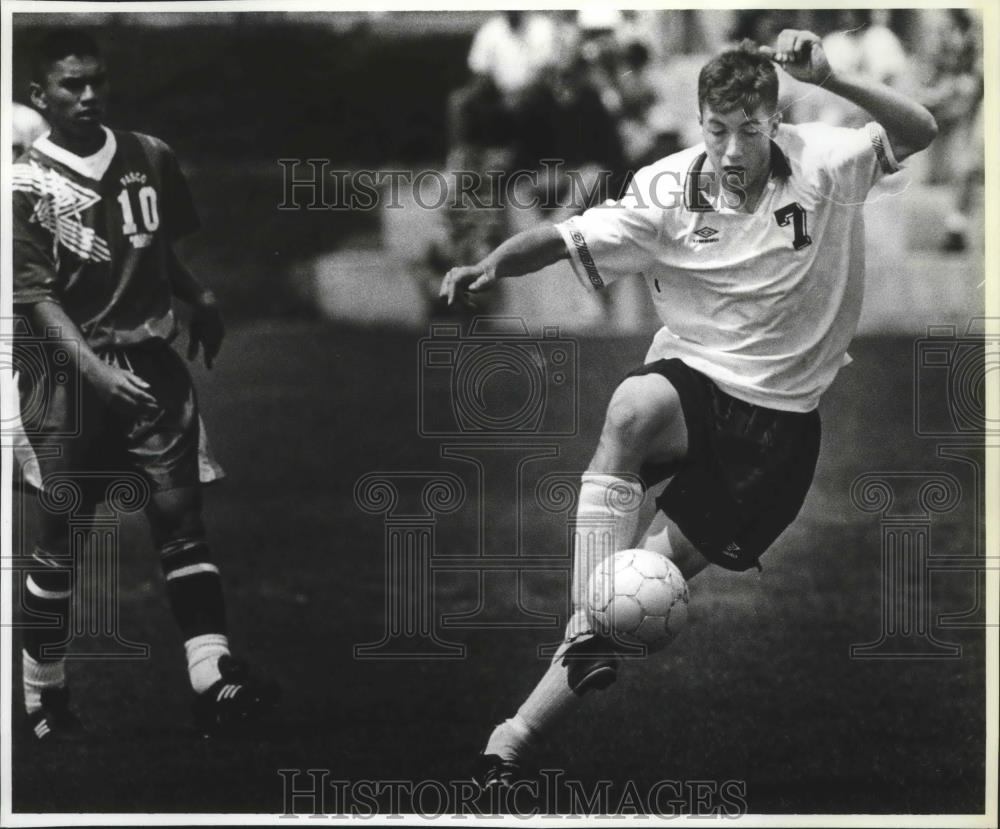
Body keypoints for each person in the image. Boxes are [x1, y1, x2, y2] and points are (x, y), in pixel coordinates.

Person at [439, 30, 937, 786]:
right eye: (717, 129)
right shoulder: (664, 191)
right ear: (700, 122)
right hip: (695, 377)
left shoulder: (828, 164)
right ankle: (584, 618)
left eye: (750, 128)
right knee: (631, 406)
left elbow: (920, 129)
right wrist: (492, 262)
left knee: (636, 593)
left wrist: (832, 76)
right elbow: (567, 233)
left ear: (775, 122)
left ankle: (511, 739)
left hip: (777, 428)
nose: (733, 149)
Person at [12, 29, 279, 741]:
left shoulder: (150, 154)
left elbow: (156, 248)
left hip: (152, 370)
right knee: (60, 539)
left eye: (96, 80)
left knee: (181, 526)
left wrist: (202, 296)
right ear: (40, 96)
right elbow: (34, 297)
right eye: (71, 84)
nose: (88, 94)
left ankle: (213, 682)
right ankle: (44, 697)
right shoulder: (25, 183)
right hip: (62, 379)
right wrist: (97, 374)